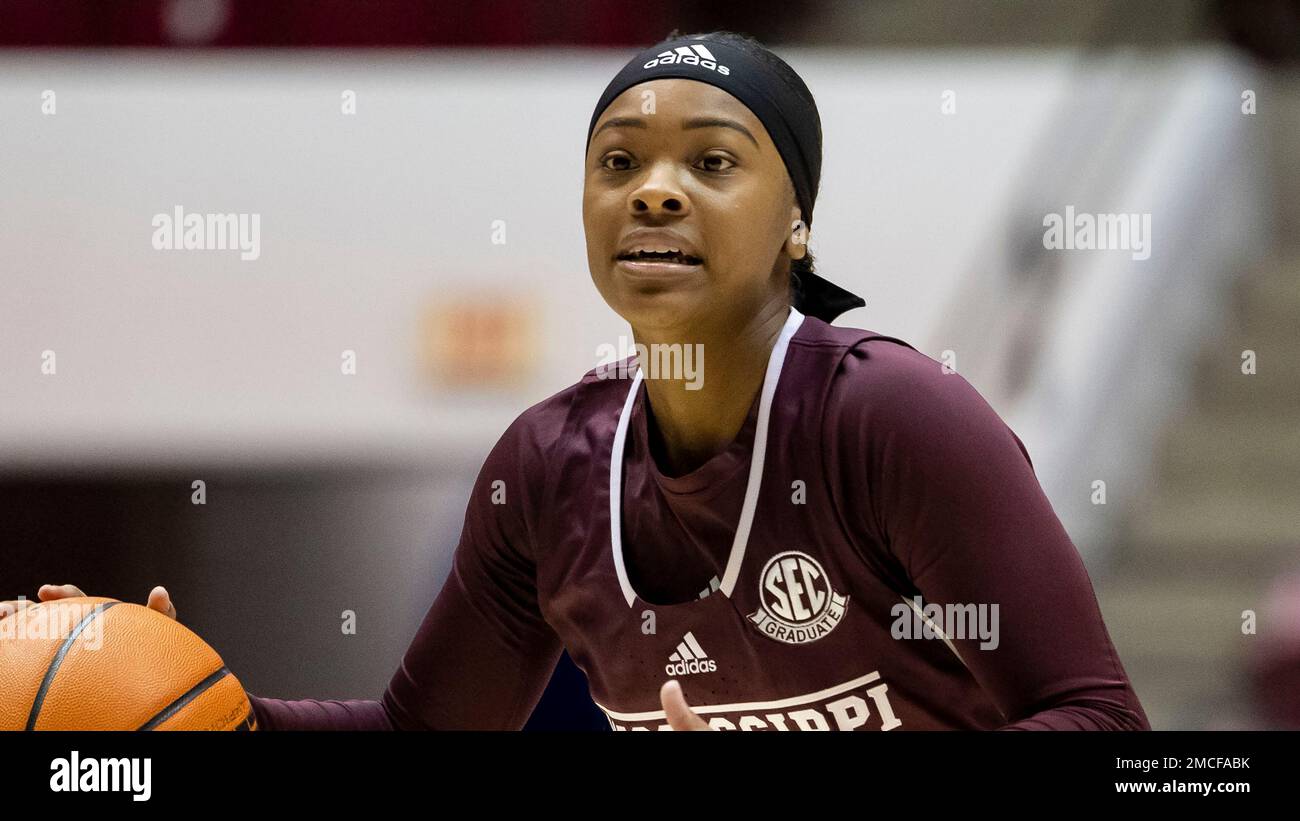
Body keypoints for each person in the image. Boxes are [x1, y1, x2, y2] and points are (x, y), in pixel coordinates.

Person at [1, 30, 1149, 731]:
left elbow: (1103, 717)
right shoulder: (547, 474)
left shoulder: (889, 420)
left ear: (796, 224)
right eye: (618, 163)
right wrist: (199, 700)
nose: (654, 191)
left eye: (710, 162)